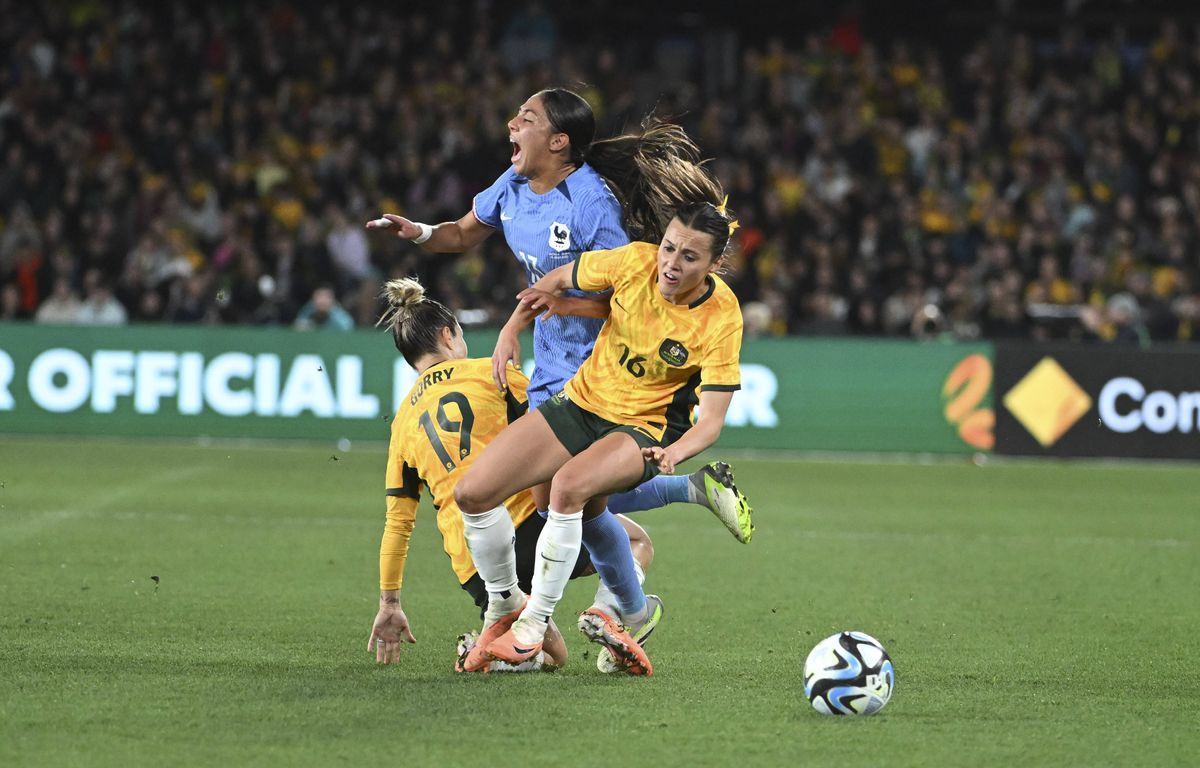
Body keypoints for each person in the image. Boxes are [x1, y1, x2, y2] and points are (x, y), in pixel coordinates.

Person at [367, 88, 753, 660]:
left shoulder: (592, 204)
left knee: (567, 491)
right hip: (556, 368)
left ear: (559, 140)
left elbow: (627, 301)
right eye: (669, 249)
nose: (510, 124)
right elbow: (467, 235)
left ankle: (552, 618)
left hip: (608, 364)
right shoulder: (514, 186)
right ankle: (638, 577)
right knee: (556, 498)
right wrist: (424, 237)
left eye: (525, 118)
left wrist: (567, 309)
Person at [454, 200, 744, 676]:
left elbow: (711, 421)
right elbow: (555, 279)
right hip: (581, 404)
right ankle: (506, 607)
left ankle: (530, 628)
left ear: (714, 264)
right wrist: (511, 328)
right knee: (473, 493)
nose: (671, 263)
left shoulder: (722, 317)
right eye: (669, 248)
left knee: (569, 488)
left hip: (645, 428)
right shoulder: (633, 260)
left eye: (689, 257)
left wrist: (673, 452)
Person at [365, 276, 655, 673]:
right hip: (525, 531)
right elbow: (555, 424)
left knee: (554, 657)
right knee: (637, 541)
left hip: (475, 566)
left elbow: (397, 524)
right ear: (448, 335)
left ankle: (492, 644)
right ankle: (603, 612)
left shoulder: (402, 423)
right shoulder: (492, 373)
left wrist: (390, 603)